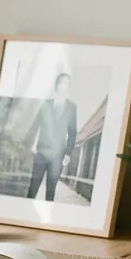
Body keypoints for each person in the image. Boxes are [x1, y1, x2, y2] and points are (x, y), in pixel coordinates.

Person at [24, 73, 78, 202]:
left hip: (57, 157)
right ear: (56, 85)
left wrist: (67, 153)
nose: (63, 86)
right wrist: (29, 145)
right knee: (32, 188)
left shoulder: (72, 108)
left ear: (68, 87)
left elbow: (72, 133)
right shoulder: (45, 104)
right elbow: (35, 126)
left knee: (51, 191)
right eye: (61, 83)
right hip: (41, 153)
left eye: (66, 83)